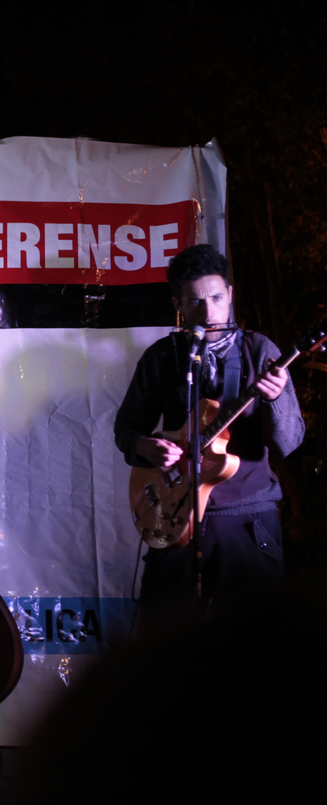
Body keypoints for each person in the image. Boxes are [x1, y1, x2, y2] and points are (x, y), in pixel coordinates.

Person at [114, 243, 304, 626]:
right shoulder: (162, 357)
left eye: (217, 298)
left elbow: (288, 444)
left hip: (245, 519)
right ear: (179, 305)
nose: (209, 312)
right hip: (175, 515)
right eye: (195, 302)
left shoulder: (260, 350)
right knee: (161, 636)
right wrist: (145, 446)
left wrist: (275, 398)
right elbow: (126, 429)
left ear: (230, 294)